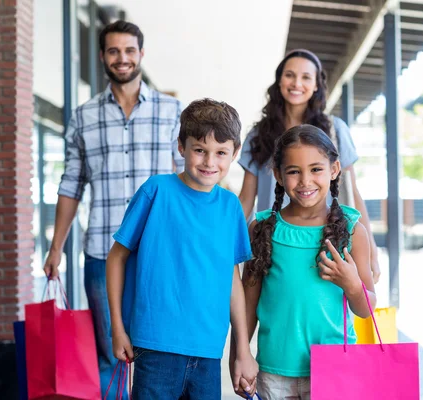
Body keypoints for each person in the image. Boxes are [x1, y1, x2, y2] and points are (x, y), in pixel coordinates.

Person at [43, 20, 183, 399]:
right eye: (113, 51)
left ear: (141, 54)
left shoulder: (172, 112)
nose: (122, 59)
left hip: (159, 250)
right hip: (103, 252)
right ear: (103, 56)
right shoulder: (84, 116)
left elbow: (190, 183)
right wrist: (57, 246)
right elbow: (71, 184)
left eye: (129, 50)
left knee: (160, 350)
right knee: (110, 351)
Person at [106, 99, 259, 399]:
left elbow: (233, 281)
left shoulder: (230, 208)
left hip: (208, 350)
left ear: (235, 153)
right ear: (181, 146)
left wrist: (242, 348)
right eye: (199, 150)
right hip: (155, 346)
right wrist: (117, 327)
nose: (209, 162)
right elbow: (116, 258)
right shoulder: (156, 191)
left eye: (221, 153)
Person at [237, 125, 376, 399]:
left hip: (335, 368)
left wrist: (352, 285)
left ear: (334, 169)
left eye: (316, 169)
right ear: (278, 174)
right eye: (293, 171)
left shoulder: (353, 231)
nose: (305, 181)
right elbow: (248, 303)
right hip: (274, 372)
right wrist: (240, 355)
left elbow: (367, 309)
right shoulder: (262, 228)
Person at [238, 49, 381, 283]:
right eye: (290, 75)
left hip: (326, 241)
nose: (297, 83)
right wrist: (225, 244)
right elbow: (246, 199)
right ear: (279, 81)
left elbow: (353, 192)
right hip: (273, 242)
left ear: (316, 85)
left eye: (306, 77)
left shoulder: (335, 130)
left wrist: (370, 248)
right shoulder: (258, 135)